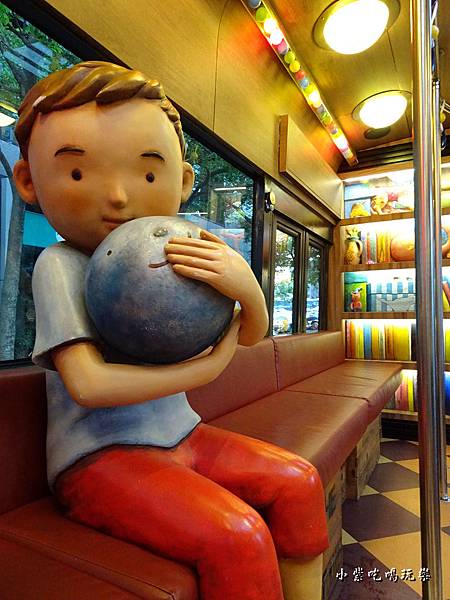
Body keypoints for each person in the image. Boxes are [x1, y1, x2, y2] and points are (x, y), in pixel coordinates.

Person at [13, 61, 328, 600]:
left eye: (147, 175)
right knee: (238, 536)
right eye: (79, 174)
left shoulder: (178, 250)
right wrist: (204, 368)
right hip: (98, 459)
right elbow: (88, 384)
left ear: (182, 182)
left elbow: (250, 335)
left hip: (185, 434)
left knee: (299, 482)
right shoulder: (61, 265)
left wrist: (246, 288)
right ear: (27, 181)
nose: (118, 196)